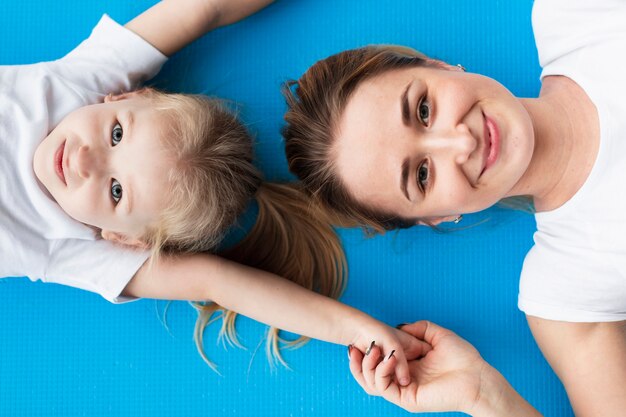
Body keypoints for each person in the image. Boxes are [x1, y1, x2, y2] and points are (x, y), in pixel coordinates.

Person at [1, 0, 427, 378]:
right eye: (116, 135)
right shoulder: (83, 84)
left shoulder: (76, 249)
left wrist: (359, 331)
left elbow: (219, 283)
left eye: (116, 192)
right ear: (129, 96)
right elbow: (204, 8)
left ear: (124, 239)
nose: (82, 160)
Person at [282, 0, 626, 414]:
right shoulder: (566, 291)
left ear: (440, 66)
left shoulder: (576, 14)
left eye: (423, 110)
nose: (462, 143)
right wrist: (481, 394)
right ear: (437, 217)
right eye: (422, 175)